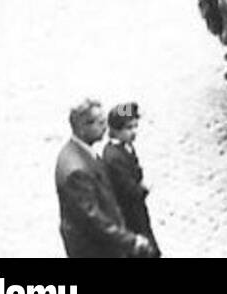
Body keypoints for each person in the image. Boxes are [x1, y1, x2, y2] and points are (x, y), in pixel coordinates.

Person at [55, 99, 155, 258]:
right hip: (95, 249)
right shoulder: (77, 170)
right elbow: (93, 220)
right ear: (82, 127)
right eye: (100, 123)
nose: (105, 127)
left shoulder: (79, 152)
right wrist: (131, 241)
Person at [101, 103, 161, 257]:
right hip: (128, 215)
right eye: (128, 128)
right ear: (114, 130)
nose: (134, 132)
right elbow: (128, 190)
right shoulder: (113, 157)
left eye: (135, 127)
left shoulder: (125, 147)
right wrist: (143, 189)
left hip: (137, 211)